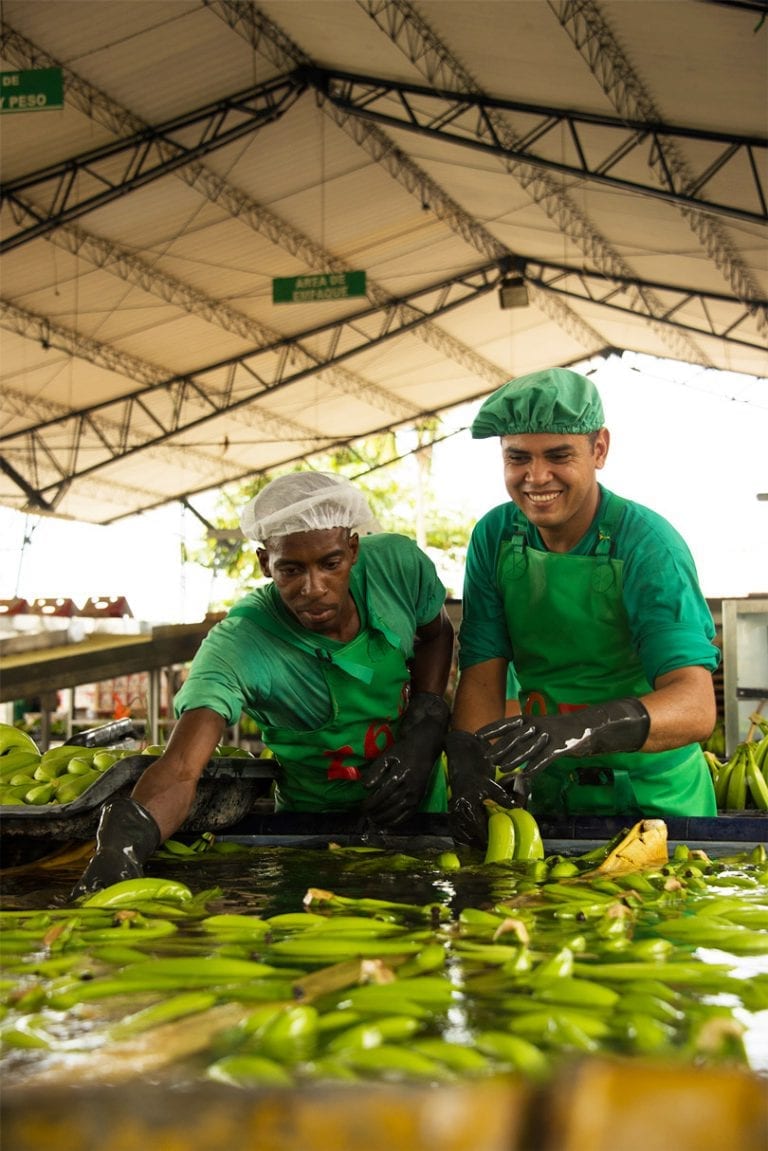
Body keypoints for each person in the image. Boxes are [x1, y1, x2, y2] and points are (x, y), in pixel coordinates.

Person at [73, 472, 454, 895]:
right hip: (314, 828)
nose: (314, 589)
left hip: (420, 803)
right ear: (264, 563)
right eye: (290, 570)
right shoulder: (241, 643)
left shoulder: (396, 568)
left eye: (331, 564)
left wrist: (427, 718)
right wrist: (125, 845)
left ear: (352, 547)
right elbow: (182, 768)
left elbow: (435, 633)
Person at [445, 367, 719, 844]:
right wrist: (472, 768)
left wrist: (587, 726)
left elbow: (695, 707)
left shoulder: (648, 545)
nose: (536, 477)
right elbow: (483, 673)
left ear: (599, 449)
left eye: (558, 456)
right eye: (517, 458)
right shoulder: (495, 536)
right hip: (548, 794)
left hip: (657, 802)